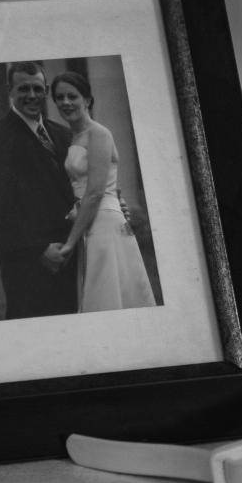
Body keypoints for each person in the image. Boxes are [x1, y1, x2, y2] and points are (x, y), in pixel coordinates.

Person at [0, 62, 78, 319]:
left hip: (72, 254)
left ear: (45, 91)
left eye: (37, 89)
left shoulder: (63, 134)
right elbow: (0, 203)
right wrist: (41, 249)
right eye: (23, 89)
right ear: (10, 90)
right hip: (29, 260)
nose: (31, 95)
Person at [49, 70, 158, 313]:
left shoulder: (99, 133)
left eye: (72, 96)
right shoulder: (74, 136)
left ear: (87, 100)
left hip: (103, 222)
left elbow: (97, 191)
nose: (65, 102)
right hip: (91, 218)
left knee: (107, 294)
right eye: (60, 97)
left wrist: (69, 243)